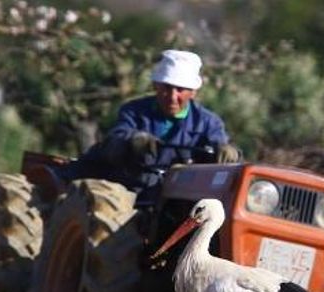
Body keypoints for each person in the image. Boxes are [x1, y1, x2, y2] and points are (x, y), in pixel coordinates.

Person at [54, 49, 240, 193]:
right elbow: (114, 142)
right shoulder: (134, 111)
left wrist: (228, 153)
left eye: (180, 89)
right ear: (155, 86)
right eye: (167, 88)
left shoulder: (208, 123)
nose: (172, 96)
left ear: (193, 92)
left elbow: (223, 150)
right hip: (126, 189)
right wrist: (133, 141)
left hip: (174, 198)